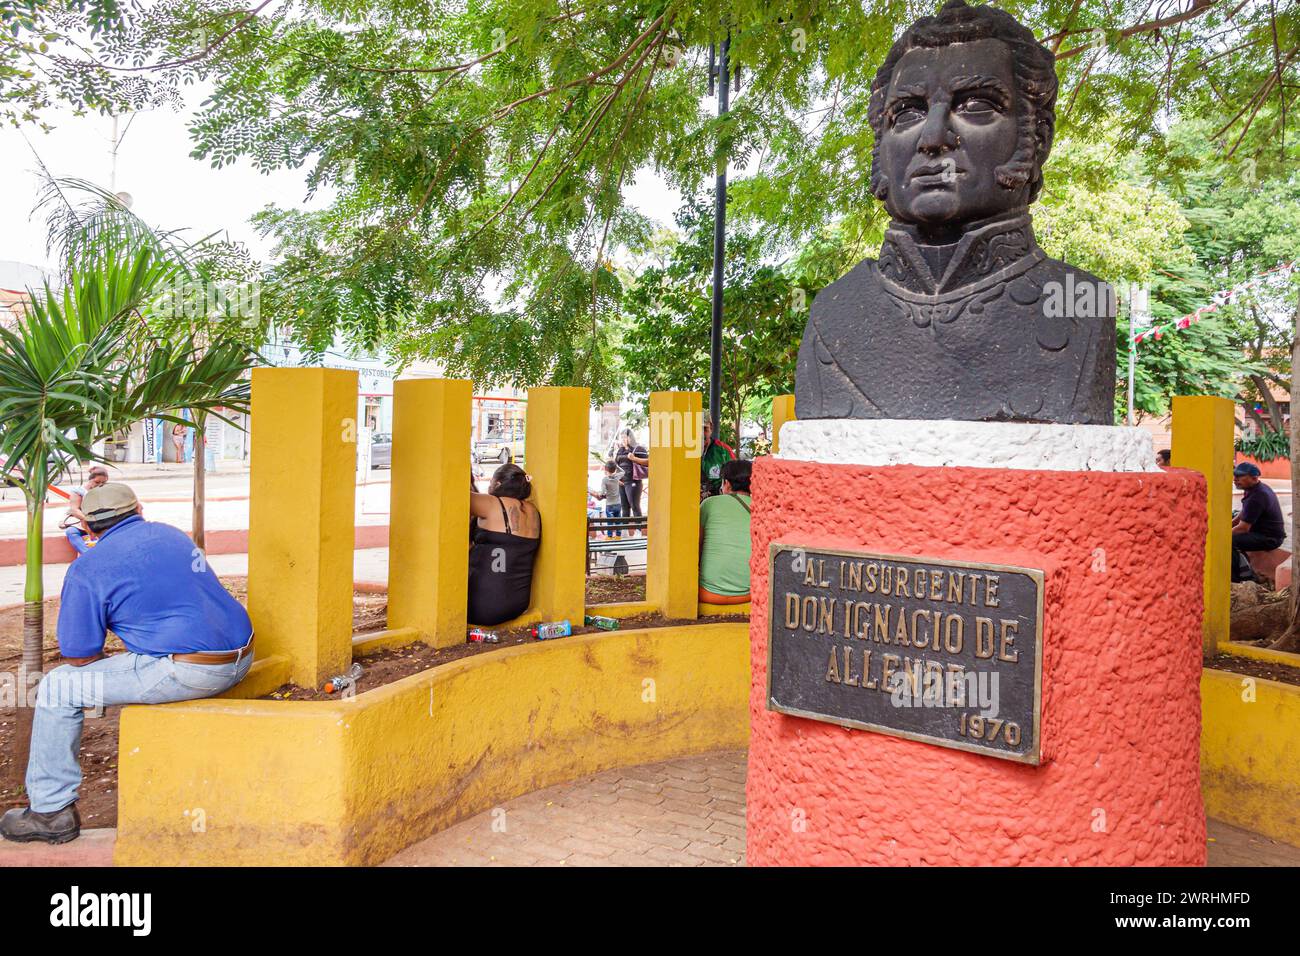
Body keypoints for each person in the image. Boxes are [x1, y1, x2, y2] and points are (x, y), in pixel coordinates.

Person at [0, 483, 254, 845]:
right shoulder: (171, 534)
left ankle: (51, 811)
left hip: (194, 671)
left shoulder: (87, 569)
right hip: (243, 655)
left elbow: (78, 654)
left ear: (88, 527)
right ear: (139, 509)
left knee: (57, 687)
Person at [468, 463, 541, 626]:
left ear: (498, 484)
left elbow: (453, 494)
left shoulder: (492, 504)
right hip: (517, 606)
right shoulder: (533, 511)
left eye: (491, 482)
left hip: (484, 606)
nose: (489, 486)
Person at [698, 459, 753, 603]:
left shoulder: (709, 504)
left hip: (707, 593)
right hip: (750, 594)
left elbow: (697, 545)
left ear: (726, 484)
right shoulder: (762, 508)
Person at [1231, 462, 1286, 583]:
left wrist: (1223, 534)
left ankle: (1241, 577)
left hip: (1270, 538)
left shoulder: (1258, 496)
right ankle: (1246, 569)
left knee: (1230, 541)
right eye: (1235, 476)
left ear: (1254, 478)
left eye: (1239, 477)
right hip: (1260, 531)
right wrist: (1229, 524)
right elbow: (1243, 514)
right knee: (1232, 515)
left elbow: (1243, 528)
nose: (1235, 480)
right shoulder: (1252, 489)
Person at [60, 464, 110, 555]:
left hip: (100, 521)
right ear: (90, 480)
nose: (100, 485)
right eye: (97, 482)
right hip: (82, 521)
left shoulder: (107, 491)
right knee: (71, 532)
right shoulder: (79, 491)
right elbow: (74, 510)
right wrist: (87, 519)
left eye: (103, 483)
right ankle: (88, 554)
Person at [615, 430, 648, 529]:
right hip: (621, 482)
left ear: (631, 438)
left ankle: (640, 531)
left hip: (633, 482)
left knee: (635, 506)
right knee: (624, 508)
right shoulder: (620, 450)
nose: (623, 439)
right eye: (622, 437)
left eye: (625, 437)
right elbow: (616, 465)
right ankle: (625, 531)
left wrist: (634, 458)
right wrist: (617, 478)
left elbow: (648, 462)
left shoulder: (638, 448)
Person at [699, 420, 736, 498]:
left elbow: (736, 478)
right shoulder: (682, 451)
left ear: (711, 429)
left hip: (717, 500)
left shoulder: (723, 450)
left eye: (705, 429)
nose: (701, 434)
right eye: (697, 429)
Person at [595, 460, 622, 537]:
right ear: (615, 469)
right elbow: (622, 473)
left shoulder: (605, 479)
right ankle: (618, 536)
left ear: (605, 469)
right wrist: (616, 467)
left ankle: (609, 536)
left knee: (610, 521)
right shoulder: (617, 477)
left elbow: (603, 492)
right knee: (618, 520)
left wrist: (599, 494)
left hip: (610, 505)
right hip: (618, 504)